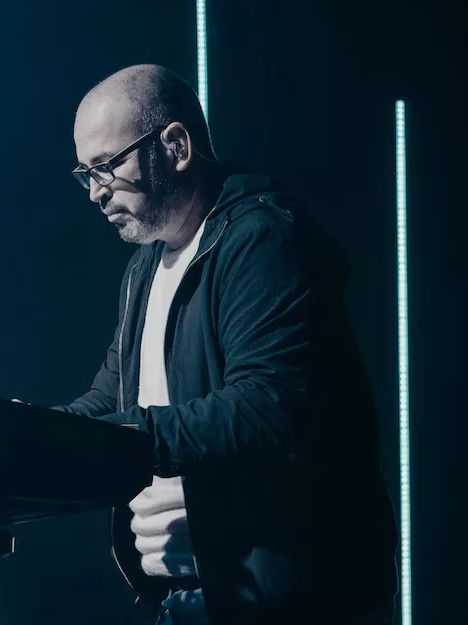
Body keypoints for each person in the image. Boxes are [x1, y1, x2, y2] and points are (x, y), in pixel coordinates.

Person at [55, 64, 399, 625]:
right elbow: (109, 398)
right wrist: (27, 442)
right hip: (198, 602)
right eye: (84, 174)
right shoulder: (144, 268)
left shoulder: (265, 240)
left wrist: (124, 440)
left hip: (299, 606)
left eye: (106, 166)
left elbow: (270, 402)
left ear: (175, 146)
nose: (95, 192)